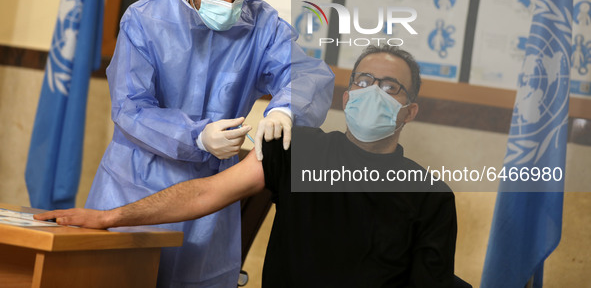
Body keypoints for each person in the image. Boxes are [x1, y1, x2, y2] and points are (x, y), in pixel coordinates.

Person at [37, 46, 458, 287]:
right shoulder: (298, 149)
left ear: (410, 111)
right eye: (364, 82)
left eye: (390, 87)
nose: (373, 92)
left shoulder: (431, 196)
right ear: (346, 100)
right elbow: (206, 192)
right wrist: (112, 216)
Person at [82, 0, 334, 287]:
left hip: (210, 201)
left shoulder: (261, 24)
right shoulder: (144, 20)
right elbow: (130, 109)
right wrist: (197, 136)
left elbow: (306, 74)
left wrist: (284, 108)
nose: (230, 5)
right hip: (136, 187)